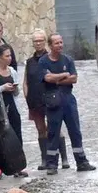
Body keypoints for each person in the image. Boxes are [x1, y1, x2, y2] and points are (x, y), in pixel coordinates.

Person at [38, 34, 97, 174]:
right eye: (56, 43)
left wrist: (57, 79)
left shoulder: (68, 59)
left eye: (61, 42)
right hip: (53, 101)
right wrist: (63, 75)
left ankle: (81, 161)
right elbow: (47, 78)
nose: (60, 45)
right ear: (50, 46)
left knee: (75, 131)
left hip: (68, 99)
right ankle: (52, 165)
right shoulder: (43, 61)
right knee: (53, 133)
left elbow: (74, 78)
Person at [23, 29, 68, 170]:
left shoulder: (51, 59)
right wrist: (27, 97)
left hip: (51, 99)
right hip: (35, 101)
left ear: (45, 42)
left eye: (41, 40)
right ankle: (45, 159)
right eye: (35, 41)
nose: (38, 43)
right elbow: (26, 81)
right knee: (40, 129)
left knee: (55, 128)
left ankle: (64, 158)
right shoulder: (29, 62)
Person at [0, 43, 28, 178]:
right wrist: (2, 88)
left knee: (17, 135)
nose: (10, 58)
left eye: (10, 55)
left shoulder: (12, 71)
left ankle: (18, 166)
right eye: (7, 56)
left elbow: (17, 94)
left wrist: (14, 88)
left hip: (12, 106)